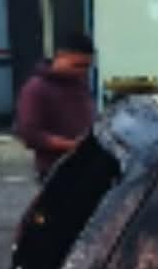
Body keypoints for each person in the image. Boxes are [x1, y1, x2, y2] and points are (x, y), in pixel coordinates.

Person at [15, 32, 97, 180]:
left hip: (85, 167)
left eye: (87, 67)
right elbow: (29, 134)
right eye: (78, 65)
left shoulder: (78, 84)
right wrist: (72, 146)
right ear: (60, 56)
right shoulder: (36, 88)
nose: (82, 71)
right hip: (56, 171)